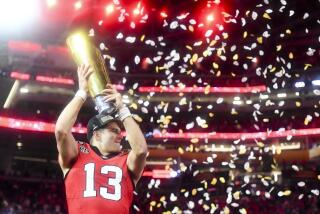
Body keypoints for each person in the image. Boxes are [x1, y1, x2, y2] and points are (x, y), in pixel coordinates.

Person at [55, 64, 148, 214]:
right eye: (113, 131)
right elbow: (61, 130)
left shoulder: (126, 158)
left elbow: (141, 150)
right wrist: (82, 93)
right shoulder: (78, 152)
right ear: (97, 134)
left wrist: (123, 110)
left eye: (120, 131)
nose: (120, 135)